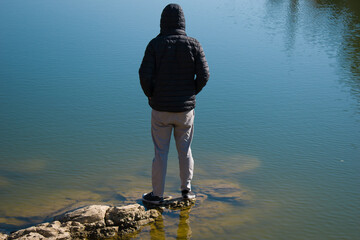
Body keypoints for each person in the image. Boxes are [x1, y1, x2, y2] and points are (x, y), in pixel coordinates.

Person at [139, 3, 209, 204]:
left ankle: (157, 195)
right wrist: (191, 93)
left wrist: (151, 95)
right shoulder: (194, 44)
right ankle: (186, 191)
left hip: (160, 109)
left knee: (160, 153)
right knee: (185, 150)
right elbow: (205, 75)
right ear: (183, 22)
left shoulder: (155, 44)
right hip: (185, 111)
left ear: (162, 22)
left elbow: (144, 75)